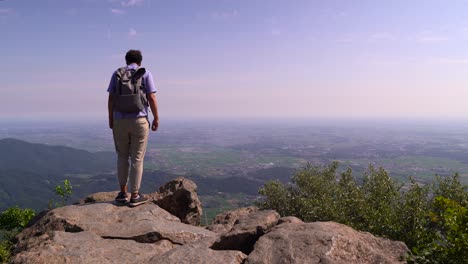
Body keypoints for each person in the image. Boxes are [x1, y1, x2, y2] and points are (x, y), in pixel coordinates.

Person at [107, 49, 159, 207]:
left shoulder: (117, 74)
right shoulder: (145, 73)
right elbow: (151, 96)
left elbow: (110, 98)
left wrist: (111, 118)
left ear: (126, 60)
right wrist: (156, 117)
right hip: (139, 120)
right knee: (137, 158)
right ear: (140, 61)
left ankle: (122, 193)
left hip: (119, 121)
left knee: (122, 156)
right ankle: (135, 196)